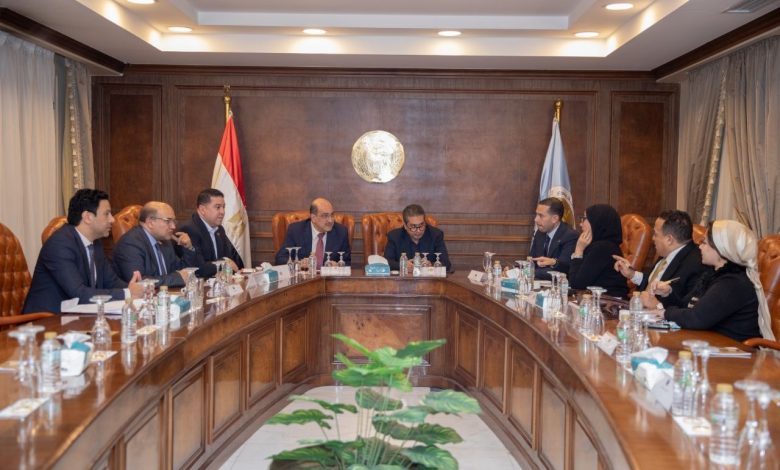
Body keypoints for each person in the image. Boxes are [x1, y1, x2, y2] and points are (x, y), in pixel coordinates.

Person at [22, 189, 143, 314]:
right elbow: (78, 293)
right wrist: (127, 293)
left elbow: (111, 281)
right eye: (107, 214)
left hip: (77, 316)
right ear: (87, 217)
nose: (112, 219)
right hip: (46, 319)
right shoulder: (60, 244)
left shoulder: (95, 242)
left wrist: (137, 289)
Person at [661, 220, 775, 343]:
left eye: (704, 243)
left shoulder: (733, 283)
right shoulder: (712, 275)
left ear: (721, 249)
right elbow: (686, 307)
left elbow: (696, 319)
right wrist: (668, 294)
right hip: (712, 344)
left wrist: (665, 313)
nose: (700, 247)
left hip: (735, 351)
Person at [613, 210, 709, 309]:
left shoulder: (696, 264)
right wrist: (632, 274)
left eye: (655, 234)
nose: (652, 238)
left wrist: (658, 306)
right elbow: (653, 281)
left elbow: (686, 308)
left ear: (669, 239)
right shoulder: (668, 252)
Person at [113, 201, 202, 287]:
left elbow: (181, 270)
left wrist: (189, 248)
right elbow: (139, 282)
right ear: (150, 222)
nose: (173, 226)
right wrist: (178, 277)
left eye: (174, 221)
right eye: (168, 221)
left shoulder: (164, 241)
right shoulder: (130, 244)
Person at [177, 188, 244, 278]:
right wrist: (223, 264)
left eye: (223, 207)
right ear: (202, 210)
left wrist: (228, 265)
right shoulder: (189, 229)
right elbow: (198, 268)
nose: (222, 212)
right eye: (218, 207)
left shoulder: (219, 229)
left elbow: (229, 258)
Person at [568, 204, 628, 298]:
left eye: (584, 219)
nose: (580, 224)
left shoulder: (603, 248)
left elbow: (577, 284)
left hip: (609, 302)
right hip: (595, 299)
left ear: (596, 222)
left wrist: (578, 251)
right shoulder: (597, 245)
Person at [273, 198, 351, 267]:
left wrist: (338, 265)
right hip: (304, 277)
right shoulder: (296, 230)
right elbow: (280, 258)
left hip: (329, 278)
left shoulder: (341, 232)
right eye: (325, 216)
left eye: (332, 215)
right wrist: (298, 264)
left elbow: (348, 262)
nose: (330, 220)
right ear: (313, 218)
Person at [384, 204, 452, 272]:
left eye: (421, 225)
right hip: (403, 278)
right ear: (405, 226)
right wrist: (402, 265)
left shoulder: (436, 235)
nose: (418, 230)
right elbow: (386, 262)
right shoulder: (394, 237)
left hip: (428, 278)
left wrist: (431, 265)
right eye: (413, 226)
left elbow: (446, 263)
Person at [528, 197, 578, 280]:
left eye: (541, 216)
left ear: (554, 219)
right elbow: (531, 261)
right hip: (539, 283)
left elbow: (563, 269)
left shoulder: (570, 236)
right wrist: (515, 269)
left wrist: (527, 272)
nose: (536, 219)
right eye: (536, 214)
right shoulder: (540, 233)